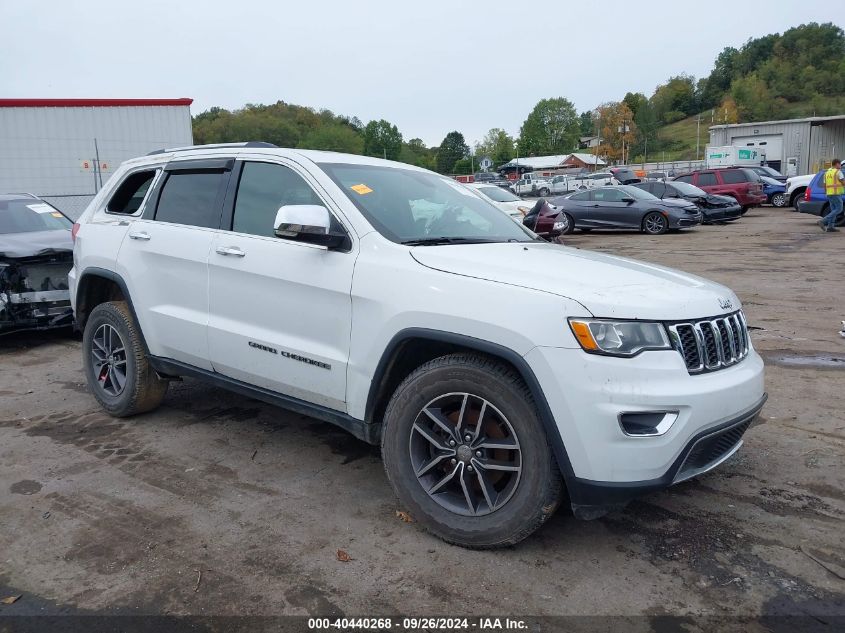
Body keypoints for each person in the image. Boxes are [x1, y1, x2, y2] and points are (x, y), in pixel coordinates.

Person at [819, 158, 844, 232]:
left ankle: (830, 227)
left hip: (829, 194)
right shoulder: (838, 172)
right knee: (839, 209)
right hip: (836, 193)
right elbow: (843, 182)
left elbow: (824, 184)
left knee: (834, 210)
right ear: (836, 164)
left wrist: (826, 193)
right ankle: (823, 221)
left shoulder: (827, 173)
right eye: (840, 164)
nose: (840, 166)